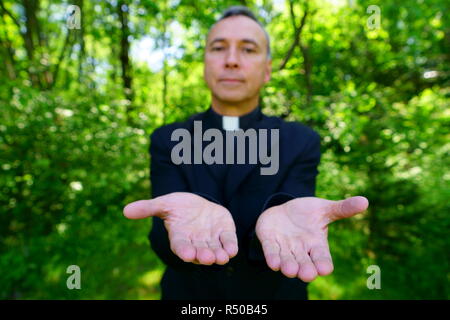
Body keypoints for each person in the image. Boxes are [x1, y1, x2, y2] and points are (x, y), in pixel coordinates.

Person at [123, 6, 369, 300]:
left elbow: (295, 214)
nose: (231, 61)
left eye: (248, 49)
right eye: (218, 48)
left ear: (267, 70)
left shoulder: (300, 141)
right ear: (204, 64)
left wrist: (276, 222)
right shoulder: (168, 140)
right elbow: (165, 244)